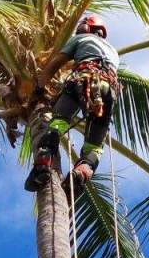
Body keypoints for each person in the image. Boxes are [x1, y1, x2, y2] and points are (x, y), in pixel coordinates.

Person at [24, 13, 121, 193]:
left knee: (57, 125)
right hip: (108, 91)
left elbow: (55, 64)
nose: (79, 26)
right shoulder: (113, 52)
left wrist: (39, 89)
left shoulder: (81, 38)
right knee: (94, 145)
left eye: (83, 23)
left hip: (82, 83)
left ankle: (42, 165)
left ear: (90, 26)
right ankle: (81, 173)